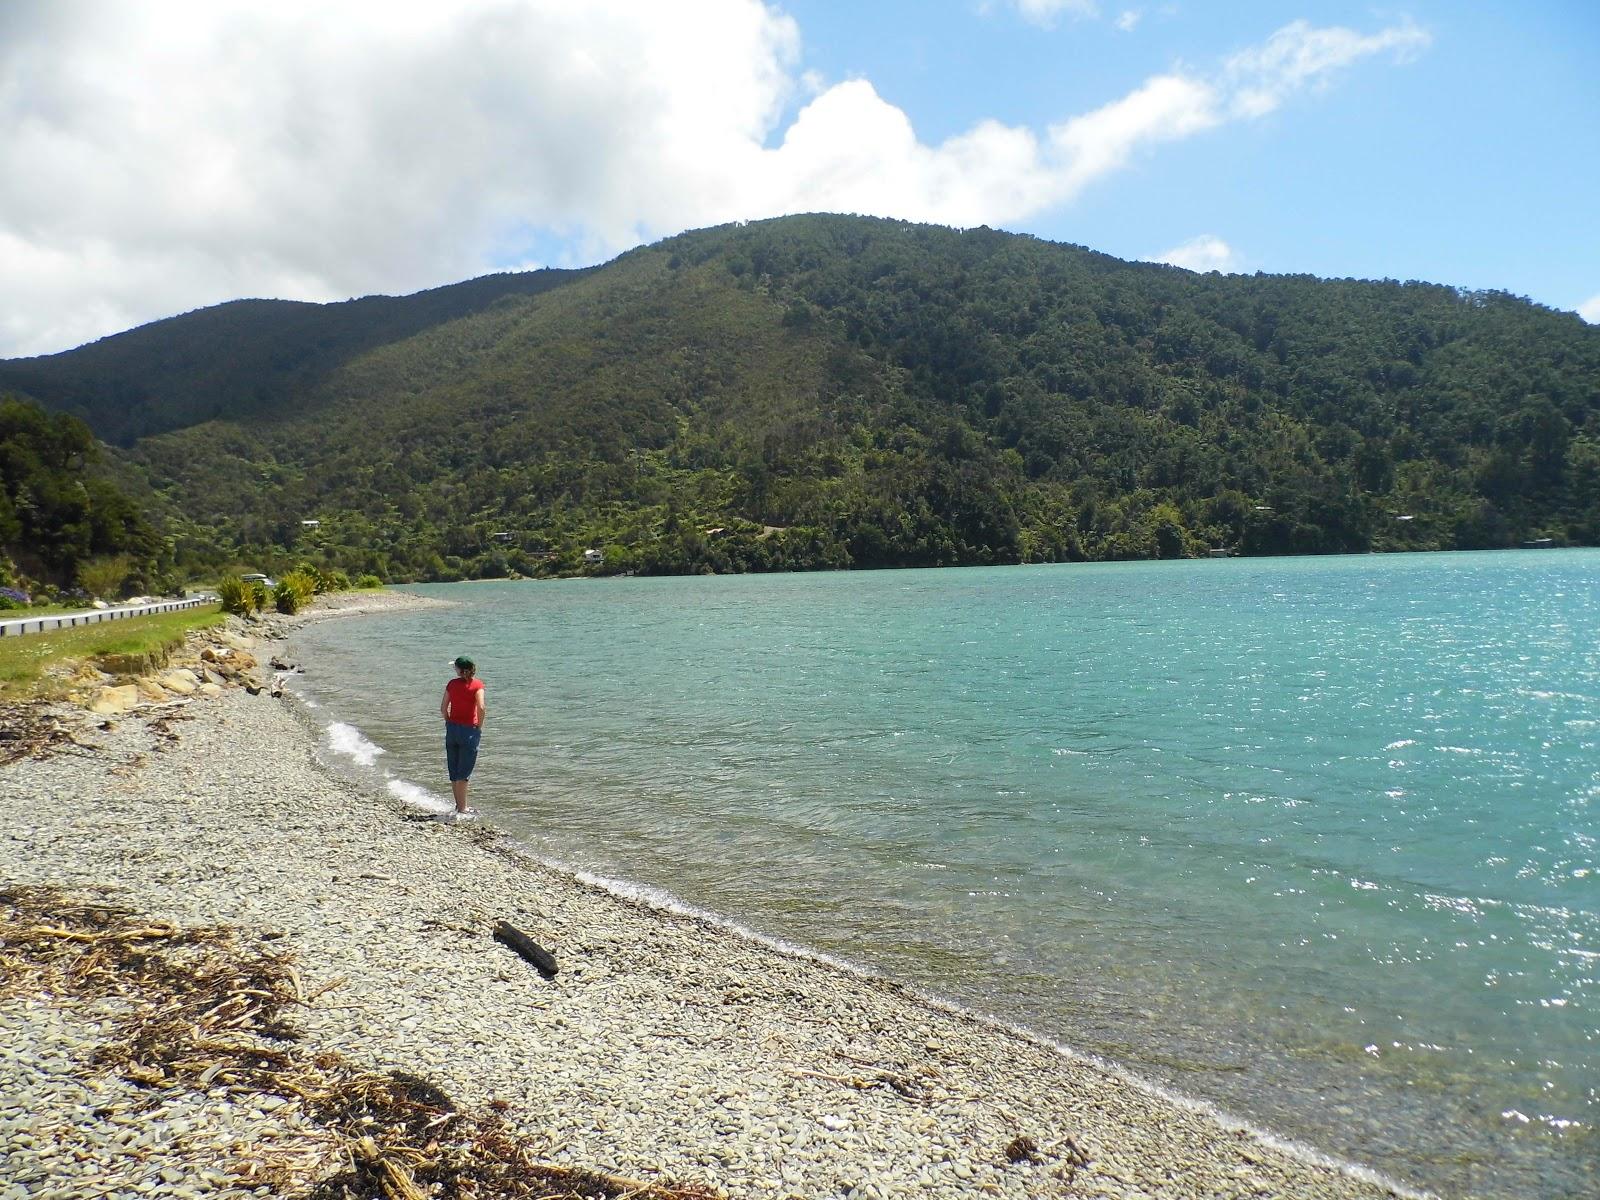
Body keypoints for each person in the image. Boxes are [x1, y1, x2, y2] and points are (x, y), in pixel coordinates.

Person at [440, 655, 486, 822]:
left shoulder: (452, 684)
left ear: (460, 670)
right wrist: (479, 726)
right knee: (464, 772)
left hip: (452, 728)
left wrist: (448, 721)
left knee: (454, 769)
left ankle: (458, 806)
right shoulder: (477, 685)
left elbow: (443, 708)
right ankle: (463, 809)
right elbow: (481, 707)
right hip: (469, 730)